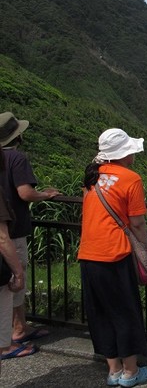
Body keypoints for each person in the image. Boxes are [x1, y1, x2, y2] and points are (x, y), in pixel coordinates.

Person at [78, 128, 147, 387]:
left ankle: (114, 371)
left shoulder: (91, 176)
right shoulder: (131, 179)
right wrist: (144, 249)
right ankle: (131, 373)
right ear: (123, 154)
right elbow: (138, 223)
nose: (133, 153)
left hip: (88, 253)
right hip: (115, 254)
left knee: (101, 313)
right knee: (124, 311)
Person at [0, 112, 59, 358]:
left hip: (6, 231)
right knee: (14, 282)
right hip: (11, 232)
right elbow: (24, 192)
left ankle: (21, 326)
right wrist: (45, 194)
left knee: (9, 285)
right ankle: (13, 335)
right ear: (18, 135)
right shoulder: (17, 158)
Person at [0, 148, 29, 372]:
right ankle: (13, 335)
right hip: (14, 236)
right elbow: (2, 237)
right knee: (10, 290)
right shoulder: (17, 158)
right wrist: (17, 273)